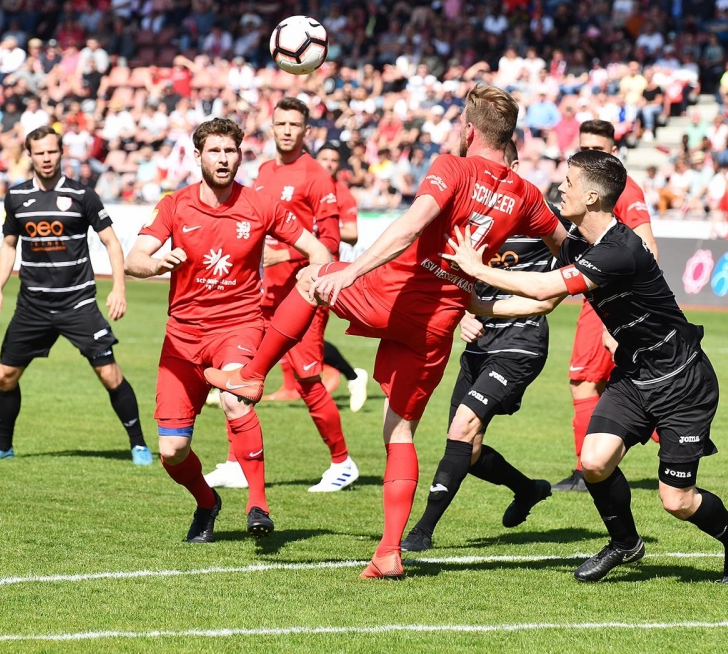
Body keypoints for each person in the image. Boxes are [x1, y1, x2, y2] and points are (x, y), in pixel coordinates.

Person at [206, 84, 568, 579]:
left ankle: (252, 375)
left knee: (311, 280)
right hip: (439, 325)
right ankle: (389, 553)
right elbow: (566, 249)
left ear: (469, 131)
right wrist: (538, 293)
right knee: (399, 432)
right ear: (508, 136)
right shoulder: (526, 194)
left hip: (394, 295)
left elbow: (410, 226)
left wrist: (351, 272)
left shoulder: (453, 167)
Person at [443, 149, 728, 583]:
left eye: (568, 182)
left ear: (591, 196)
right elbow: (545, 295)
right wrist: (479, 305)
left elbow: (544, 286)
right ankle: (625, 543)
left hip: (682, 382)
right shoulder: (582, 245)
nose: (561, 187)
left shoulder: (619, 250)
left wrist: (476, 269)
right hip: (634, 376)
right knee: (593, 462)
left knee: (677, 501)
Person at [124, 118, 333, 542]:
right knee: (172, 451)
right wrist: (157, 264)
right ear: (197, 156)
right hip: (182, 337)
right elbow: (134, 260)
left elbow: (318, 250)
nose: (223, 159)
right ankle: (207, 502)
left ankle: (258, 505)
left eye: (230, 151)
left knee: (235, 398)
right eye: (215, 151)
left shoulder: (260, 205)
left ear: (240, 156)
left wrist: (312, 277)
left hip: (238, 326)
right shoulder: (174, 205)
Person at [0, 126, 151, 466]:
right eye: (40, 153)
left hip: (77, 303)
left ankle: (138, 445)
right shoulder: (16, 196)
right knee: (4, 375)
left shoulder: (82, 195)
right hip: (32, 306)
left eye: (52, 151)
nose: (46, 158)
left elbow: (111, 242)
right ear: (29, 156)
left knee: (109, 374)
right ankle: (2, 446)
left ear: (61, 153)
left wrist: (119, 288)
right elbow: (9, 246)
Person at [402, 141, 556, 552]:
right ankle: (527, 489)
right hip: (480, 342)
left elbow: (571, 269)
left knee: (461, 428)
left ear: (516, 166)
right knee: (466, 449)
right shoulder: (470, 219)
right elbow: (449, 281)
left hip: (521, 342)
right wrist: (462, 315)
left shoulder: (543, 222)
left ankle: (422, 532)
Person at [204, 98, 359, 494]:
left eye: (294, 124)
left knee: (307, 380)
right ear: (271, 128)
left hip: (302, 297)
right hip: (261, 296)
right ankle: (236, 463)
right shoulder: (264, 172)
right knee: (237, 373)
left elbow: (331, 244)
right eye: (281, 123)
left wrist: (283, 255)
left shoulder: (316, 176)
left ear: (306, 131)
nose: (287, 130)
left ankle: (342, 463)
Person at [553, 120, 659, 493]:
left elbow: (648, 246)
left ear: (613, 152)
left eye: (597, 150)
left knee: (584, 381)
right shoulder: (585, 189)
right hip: (598, 295)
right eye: (584, 149)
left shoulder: (623, 190)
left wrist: (618, 316)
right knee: (603, 381)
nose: (590, 155)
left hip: (607, 301)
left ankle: (586, 472)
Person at [263, 141, 370, 412]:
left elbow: (351, 234)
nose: (328, 164)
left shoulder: (340, 193)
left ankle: (351, 376)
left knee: (305, 339)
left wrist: (314, 229)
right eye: (324, 158)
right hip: (286, 272)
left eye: (334, 160)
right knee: (281, 332)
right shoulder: (304, 184)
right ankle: (280, 385)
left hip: (320, 274)